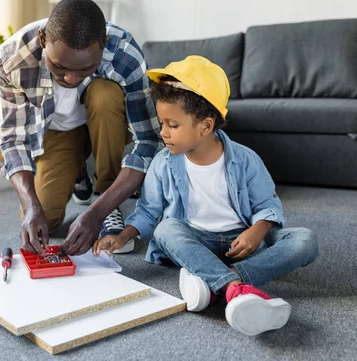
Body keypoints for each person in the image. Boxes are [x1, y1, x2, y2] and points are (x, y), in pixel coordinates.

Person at [93, 55, 319, 336]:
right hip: (194, 239)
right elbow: (150, 211)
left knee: (305, 240)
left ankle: (214, 283)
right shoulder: (163, 163)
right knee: (165, 229)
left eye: (172, 125)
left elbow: (267, 205)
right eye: (162, 124)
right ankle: (234, 288)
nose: (163, 133)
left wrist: (256, 233)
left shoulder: (246, 160)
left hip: (241, 243)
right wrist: (123, 236)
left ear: (206, 126)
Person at [0, 0, 161, 256]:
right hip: (58, 134)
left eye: (85, 68)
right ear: (42, 41)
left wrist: (98, 212)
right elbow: (13, 140)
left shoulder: (124, 53)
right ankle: (78, 171)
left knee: (105, 94)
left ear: (102, 47)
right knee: (44, 218)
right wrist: (30, 207)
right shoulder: (12, 58)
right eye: (59, 67)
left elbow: (149, 140)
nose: (70, 78)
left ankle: (106, 193)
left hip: (108, 123)